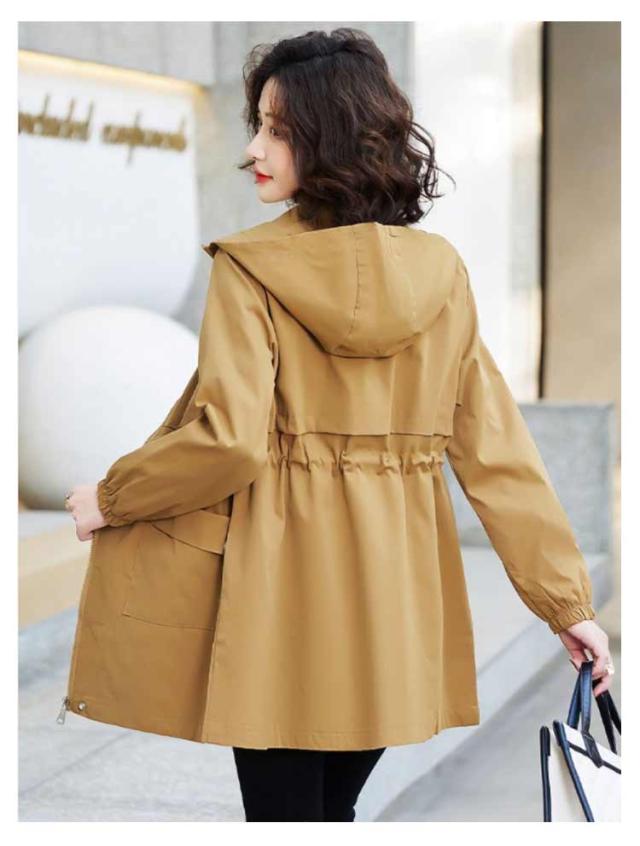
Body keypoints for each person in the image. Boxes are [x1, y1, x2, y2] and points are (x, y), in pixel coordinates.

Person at [64, 28, 614, 823]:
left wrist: (112, 497)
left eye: (277, 130)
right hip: (398, 600)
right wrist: (568, 605)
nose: (253, 149)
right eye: (257, 124)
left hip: (277, 591)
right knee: (330, 815)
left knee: (286, 819)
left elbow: (227, 441)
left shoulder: (250, 269)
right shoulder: (442, 275)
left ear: (331, 138)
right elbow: (497, 454)